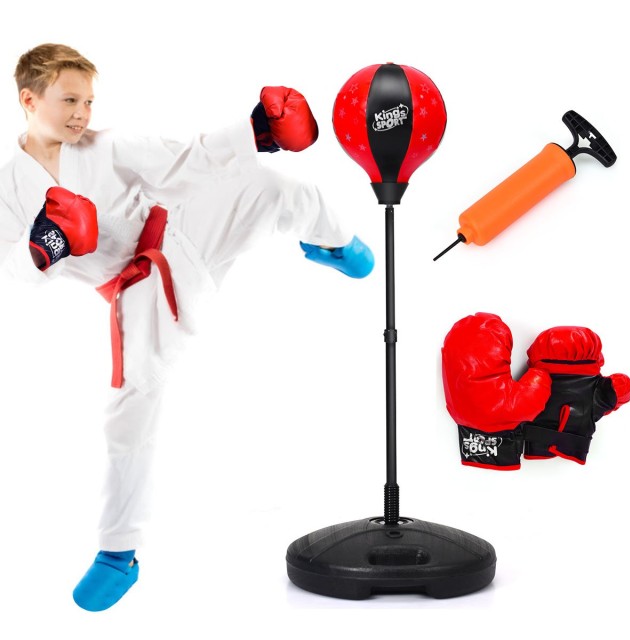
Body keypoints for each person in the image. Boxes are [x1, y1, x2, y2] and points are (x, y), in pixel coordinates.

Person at [0, 43, 374, 612]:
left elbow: (181, 161)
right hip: (139, 289)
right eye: (69, 100)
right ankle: (118, 553)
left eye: (89, 101)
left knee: (272, 187)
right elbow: (13, 272)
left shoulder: (105, 146)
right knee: (132, 407)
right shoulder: (9, 187)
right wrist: (45, 245)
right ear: (29, 100)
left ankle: (337, 244)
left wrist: (254, 131)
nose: (82, 113)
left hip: (180, 231)